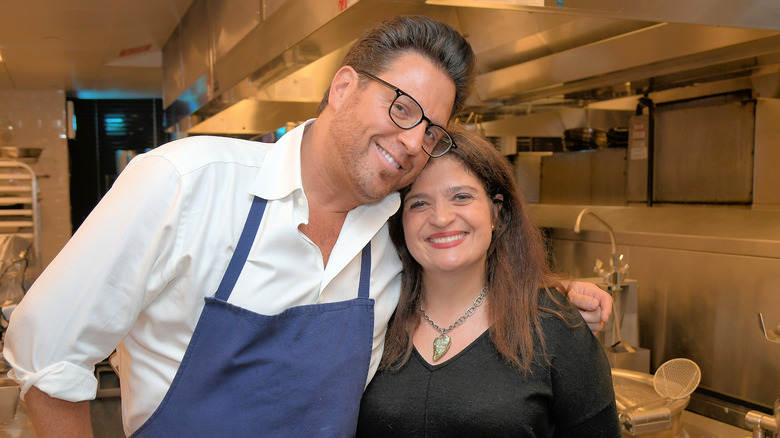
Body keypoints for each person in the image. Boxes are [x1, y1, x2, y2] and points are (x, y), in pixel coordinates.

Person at [3, 15, 611, 438]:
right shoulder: (186, 184)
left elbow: (466, 257)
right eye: (401, 106)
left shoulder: (392, 230)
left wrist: (554, 292)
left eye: (432, 131)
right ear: (343, 86)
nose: (411, 142)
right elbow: (47, 354)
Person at [356, 125, 621, 437]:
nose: (441, 218)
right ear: (400, 221)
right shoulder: (372, 314)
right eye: (419, 203)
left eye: (462, 197)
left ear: (496, 211)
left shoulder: (555, 324)